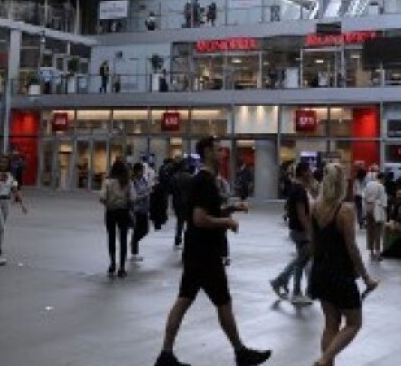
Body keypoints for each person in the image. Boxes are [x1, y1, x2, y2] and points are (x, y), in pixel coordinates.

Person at [154, 137, 271, 366]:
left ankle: (166, 355)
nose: (223, 154)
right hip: (205, 253)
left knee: (185, 299)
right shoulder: (205, 181)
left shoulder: (204, 180)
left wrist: (231, 208)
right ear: (207, 152)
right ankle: (240, 353)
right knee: (221, 301)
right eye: (218, 150)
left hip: (196, 250)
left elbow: (207, 211)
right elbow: (200, 219)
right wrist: (227, 223)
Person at [308, 163, 378, 366]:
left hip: (320, 271)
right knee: (354, 323)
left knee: (331, 324)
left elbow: (314, 244)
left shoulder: (314, 207)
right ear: (341, 184)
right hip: (340, 275)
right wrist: (366, 278)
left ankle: (326, 363)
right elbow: (352, 248)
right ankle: (324, 360)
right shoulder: (345, 210)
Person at [270, 161, 314, 306]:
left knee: (300, 260)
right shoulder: (299, 190)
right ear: (303, 173)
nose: (311, 173)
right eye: (309, 170)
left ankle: (282, 282)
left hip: (296, 230)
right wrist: (310, 232)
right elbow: (302, 215)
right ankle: (295, 291)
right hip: (301, 232)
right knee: (301, 261)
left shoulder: (296, 188)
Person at [0, 155, 26, 266]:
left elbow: (15, 191)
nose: (2, 164)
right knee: (1, 227)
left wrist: (22, 204)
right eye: (0, 162)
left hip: (6, 203)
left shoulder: (11, 176)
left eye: (5, 162)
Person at [99, 159, 133, 278]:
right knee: (123, 239)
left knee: (111, 237)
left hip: (110, 212)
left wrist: (109, 203)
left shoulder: (107, 181)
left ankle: (112, 263)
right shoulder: (127, 182)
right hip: (123, 212)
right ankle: (122, 267)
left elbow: (102, 197)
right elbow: (132, 198)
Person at [362, 168, 386, 261]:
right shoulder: (381, 186)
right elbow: (384, 201)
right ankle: (378, 253)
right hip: (377, 209)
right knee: (377, 232)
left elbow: (364, 196)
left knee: (370, 231)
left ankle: (371, 251)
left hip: (368, 208)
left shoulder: (369, 184)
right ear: (382, 178)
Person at [130, 162, 151, 263]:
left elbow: (146, 189)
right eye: (141, 170)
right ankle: (134, 250)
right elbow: (134, 197)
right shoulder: (132, 182)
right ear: (136, 171)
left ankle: (134, 243)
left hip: (144, 209)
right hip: (137, 209)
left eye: (143, 170)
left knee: (145, 230)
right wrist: (145, 195)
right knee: (137, 230)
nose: (142, 172)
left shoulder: (143, 180)